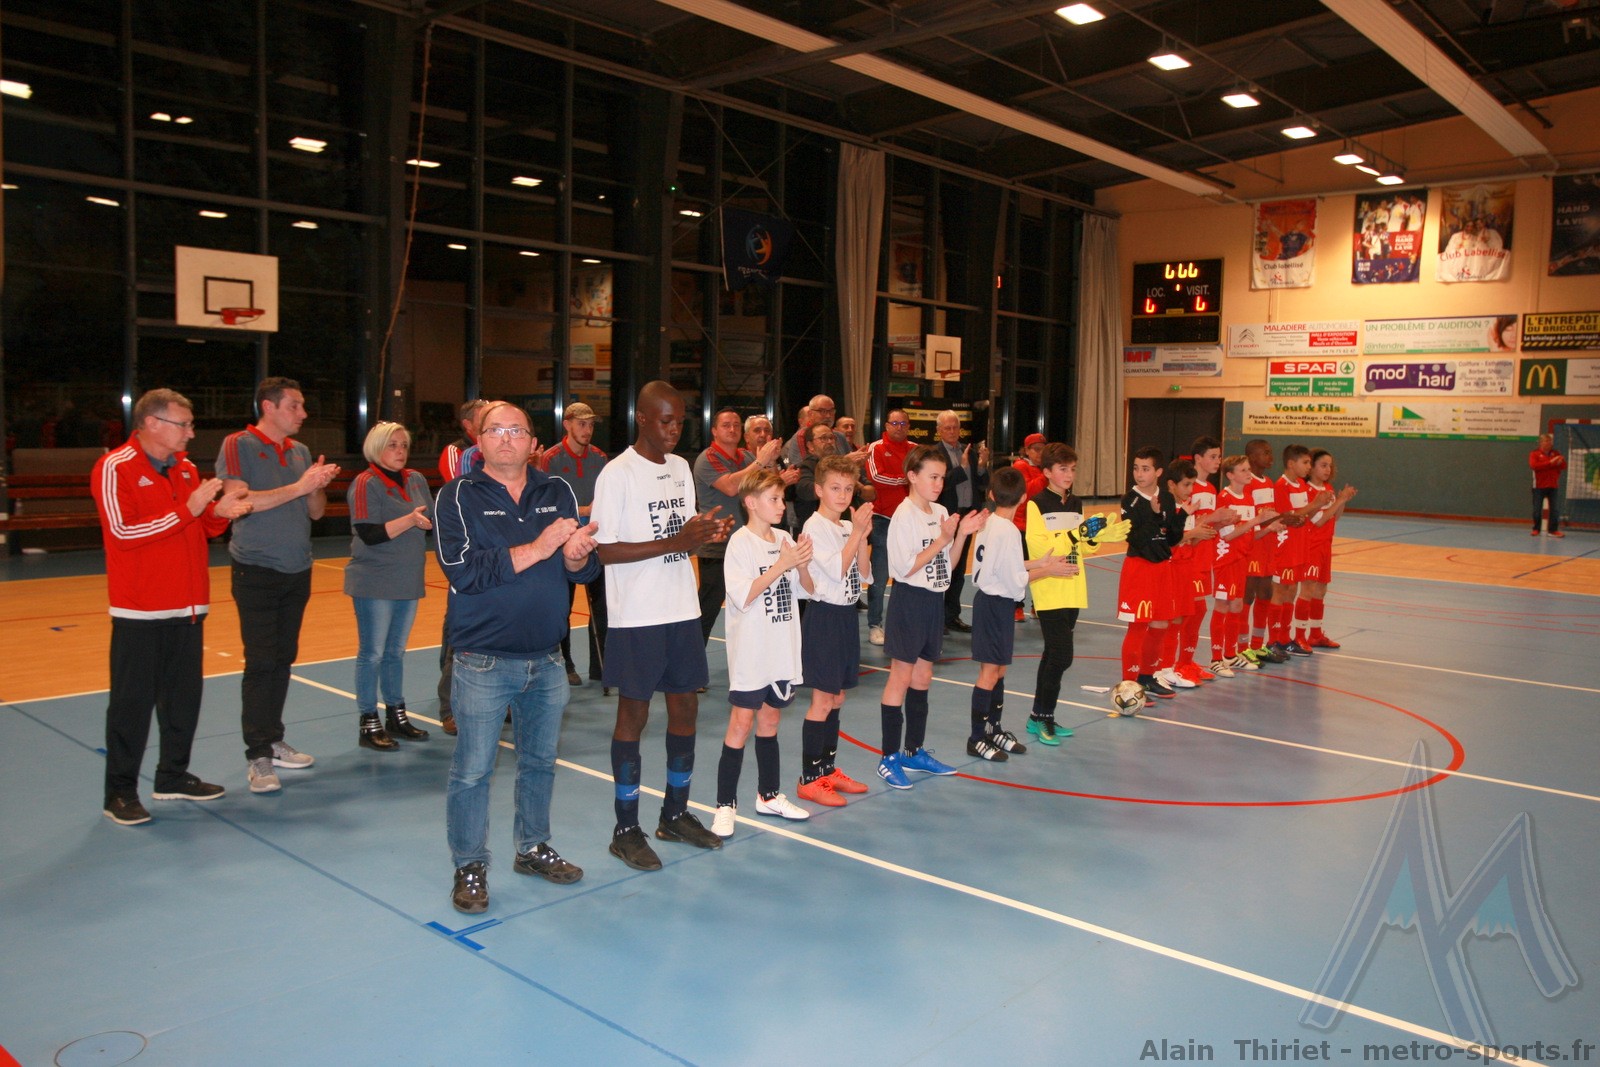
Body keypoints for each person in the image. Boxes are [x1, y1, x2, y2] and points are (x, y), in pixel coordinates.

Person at [434, 400, 599, 914]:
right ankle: (469, 864)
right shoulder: (456, 496)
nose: (506, 438)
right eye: (496, 430)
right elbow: (464, 572)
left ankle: (532, 847)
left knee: (539, 764)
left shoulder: (557, 490)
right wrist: (541, 546)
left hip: (547, 659)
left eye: (516, 430)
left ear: (532, 442)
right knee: (472, 771)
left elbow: (581, 572)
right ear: (479, 440)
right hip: (482, 661)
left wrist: (576, 557)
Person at [591, 381, 735, 871]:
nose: (674, 430)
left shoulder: (679, 469)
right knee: (634, 715)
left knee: (686, 709)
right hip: (638, 615)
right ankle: (625, 829)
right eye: (665, 421)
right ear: (643, 419)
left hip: (680, 609)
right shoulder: (617, 474)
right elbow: (605, 551)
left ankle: (674, 814)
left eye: (680, 421)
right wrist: (678, 541)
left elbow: (680, 534)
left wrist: (704, 532)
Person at [93, 389, 252, 825]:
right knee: (131, 706)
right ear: (152, 423)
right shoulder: (115, 467)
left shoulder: (185, 468)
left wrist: (220, 513)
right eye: (184, 424)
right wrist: (190, 508)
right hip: (140, 611)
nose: (191, 433)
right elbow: (123, 533)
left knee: (183, 702)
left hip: (189, 608)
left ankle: (172, 776)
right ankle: (119, 792)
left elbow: (198, 528)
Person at [217, 377, 340, 794]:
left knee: (283, 658)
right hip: (256, 569)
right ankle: (257, 755)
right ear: (268, 407)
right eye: (294, 405)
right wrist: (300, 486)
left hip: (297, 568)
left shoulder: (300, 451)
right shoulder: (239, 444)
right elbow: (239, 502)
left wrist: (316, 487)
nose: (303, 413)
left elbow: (316, 513)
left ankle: (273, 738)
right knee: (260, 661)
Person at [711, 469, 816, 837]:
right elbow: (744, 595)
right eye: (774, 498)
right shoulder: (740, 544)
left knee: (770, 721)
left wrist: (801, 566)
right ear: (751, 503)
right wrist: (782, 565)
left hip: (781, 649)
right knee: (741, 724)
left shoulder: (785, 538)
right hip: (752, 653)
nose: (781, 505)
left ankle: (768, 795)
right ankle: (725, 804)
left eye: (782, 498)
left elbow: (806, 590)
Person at [876, 445, 987, 789]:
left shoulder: (940, 510)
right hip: (909, 601)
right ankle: (888, 757)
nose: (939, 484)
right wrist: (942, 538)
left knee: (923, 677)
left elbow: (947, 566)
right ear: (912, 476)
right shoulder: (903, 515)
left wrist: (961, 535)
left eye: (942, 478)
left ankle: (914, 751)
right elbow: (904, 568)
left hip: (933, 603)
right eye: (933, 477)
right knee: (901, 677)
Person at [965, 467, 1076, 761]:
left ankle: (993, 729)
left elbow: (1007, 565)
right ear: (1024, 498)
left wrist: (1039, 562)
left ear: (991, 494)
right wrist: (1048, 570)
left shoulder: (990, 524)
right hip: (995, 604)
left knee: (999, 670)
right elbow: (1015, 580)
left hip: (993, 603)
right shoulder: (1009, 530)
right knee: (990, 673)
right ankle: (977, 737)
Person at [1025, 443, 1127, 743]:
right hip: (1049, 586)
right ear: (1047, 472)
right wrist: (1075, 534)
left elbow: (1081, 548)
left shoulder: (1076, 503)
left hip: (1073, 586)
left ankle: (1039, 717)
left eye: (1072, 469)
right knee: (1061, 655)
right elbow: (1041, 548)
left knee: (1052, 654)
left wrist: (1093, 538)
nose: (1069, 474)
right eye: (1062, 469)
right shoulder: (1036, 504)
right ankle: (1044, 717)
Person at [346, 422, 434, 751]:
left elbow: (431, 520)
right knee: (372, 654)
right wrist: (410, 519)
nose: (400, 451)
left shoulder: (416, 479)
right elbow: (369, 533)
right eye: (392, 445)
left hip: (407, 578)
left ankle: (396, 714)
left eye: (404, 445)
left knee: (396, 652)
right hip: (375, 580)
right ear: (376, 448)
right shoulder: (366, 482)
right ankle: (368, 720)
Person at [796, 456, 874, 807]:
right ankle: (809, 778)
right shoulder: (814, 527)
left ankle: (827, 769)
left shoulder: (845, 526)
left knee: (837, 697)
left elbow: (863, 573)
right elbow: (835, 571)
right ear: (818, 490)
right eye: (835, 488)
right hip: (825, 618)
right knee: (822, 699)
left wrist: (861, 537)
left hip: (846, 618)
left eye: (848, 488)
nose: (842, 495)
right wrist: (856, 532)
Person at [1117, 447, 1213, 699]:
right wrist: (1155, 514)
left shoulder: (1168, 499)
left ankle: (1147, 678)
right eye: (1136, 468)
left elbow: (1171, 538)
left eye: (1145, 469)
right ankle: (1129, 685)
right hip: (1139, 568)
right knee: (1138, 627)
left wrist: (1182, 517)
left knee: (1160, 623)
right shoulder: (1130, 500)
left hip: (1163, 569)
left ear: (1158, 472)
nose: (1139, 474)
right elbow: (1136, 539)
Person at [693, 408, 794, 644]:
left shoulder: (746, 457)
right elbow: (731, 487)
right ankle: (690, 661)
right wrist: (760, 461)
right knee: (708, 606)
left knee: (754, 600)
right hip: (717, 544)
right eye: (726, 425)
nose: (732, 429)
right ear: (714, 430)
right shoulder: (708, 458)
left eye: (736, 425)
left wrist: (771, 462)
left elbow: (767, 486)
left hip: (748, 543)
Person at [540, 402, 610, 688]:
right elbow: (545, 503)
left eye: (591, 424)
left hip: (595, 541)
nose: (587, 430)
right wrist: (584, 510)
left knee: (602, 606)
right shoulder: (551, 459)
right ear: (567, 424)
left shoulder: (600, 457)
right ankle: (565, 663)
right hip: (563, 543)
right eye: (582, 424)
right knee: (562, 607)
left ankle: (602, 666)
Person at [435, 399, 489, 736]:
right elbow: (462, 489)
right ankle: (450, 707)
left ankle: (494, 700)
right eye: (486, 419)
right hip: (467, 555)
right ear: (469, 425)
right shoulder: (460, 454)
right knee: (457, 638)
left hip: (497, 556)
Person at [1209, 455, 1278, 677]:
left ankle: (1230, 655)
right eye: (1243, 470)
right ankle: (1216, 659)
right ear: (1230, 475)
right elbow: (1228, 535)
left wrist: (1268, 528)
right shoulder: (1224, 498)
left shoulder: (1248, 497)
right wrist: (1257, 520)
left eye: (1249, 469)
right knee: (1223, 605)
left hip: (1242, 559)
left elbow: (1250, 534)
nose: (1249, 473)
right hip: (1226, 559)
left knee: (1237, 605)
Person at [1266, 445, 1333, 659]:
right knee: (1280, 592)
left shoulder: (1301, 486)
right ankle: (1272, 640)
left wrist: (1315, 507)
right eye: (1305, 462)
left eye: (1309, 463)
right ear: (1290, 463)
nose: (1308, 467)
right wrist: (1314, 505)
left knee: (1291, 591)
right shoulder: (1281, 486)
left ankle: (1285, 639)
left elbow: (1303, 517)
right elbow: (1287, 517)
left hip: (1299, 547)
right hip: (1284, 546)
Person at [933, 410, 990, 634]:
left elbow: (982, 483)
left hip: (967, 517)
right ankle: (937, 617)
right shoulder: (934, 454)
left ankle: (951, 616)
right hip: (946, 517)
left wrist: (982, 465)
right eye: (947, 428)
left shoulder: (969, 450)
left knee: (958, 571)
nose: (952, 431)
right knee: (942, 567)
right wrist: (962, 468)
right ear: (939, 430)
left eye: (955, 427)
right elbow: (939, 485)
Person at [1295, 450, 1358, 650]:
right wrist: (1338, 500)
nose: (1328, 469)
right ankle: (1299, 636)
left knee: (1321, 590)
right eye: (1323, 465)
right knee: (1307, 590)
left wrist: (1342, 500)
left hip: (1325, 546)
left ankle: (1315, 634)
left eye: (1330, 465)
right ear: (1311, 467)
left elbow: (1334, 517)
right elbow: (1319, 520)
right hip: (1311, 546)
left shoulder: (1328, 488)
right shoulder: (1307, 491)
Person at [864, 408, 914, 645]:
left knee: (907, 574)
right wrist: (904, 480)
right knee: (880, 576)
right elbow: (876, 477)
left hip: (909, 522)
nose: (899, 427)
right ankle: (875, 625)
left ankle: (900, 623)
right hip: (883, 520)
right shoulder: (876, 448)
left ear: (909, 426)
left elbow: (922, 477)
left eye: (903, 423)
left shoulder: (915, 450)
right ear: (886, 426)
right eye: (894, 423)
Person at [1240, 439, 1286, 666]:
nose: (1271, 457)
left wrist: (1285, 519)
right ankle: (1241, 647)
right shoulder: (1247, 483)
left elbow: (1270, 513)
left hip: (1268, 546)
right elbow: (1249, 518)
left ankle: (1257, 645)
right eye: (1265, 453)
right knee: (1246, 596)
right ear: (1251, 457)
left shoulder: (1268, 482)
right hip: (1253, 545)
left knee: (1265, 594)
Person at [1009, 432, 1048, 621]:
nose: (1040, 454)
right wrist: (1046, 477)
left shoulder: (1044, 468)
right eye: (1036, 449)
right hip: (1021, 525)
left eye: (1043, 450)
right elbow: (1028, 491)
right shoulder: (1020, 466)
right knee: (1020, 567)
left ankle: (1037, 605)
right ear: (1026, 450)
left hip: (1040, 525)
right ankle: (1017, 606)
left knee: (1040, 566)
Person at [1529, 434, 1566, 538]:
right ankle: (1536, 529)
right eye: (1546, 441)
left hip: (1553, 485)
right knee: (1537, 510)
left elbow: (1563, 466)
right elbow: (1534, 466)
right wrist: (1550, 463)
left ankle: (1553, 530)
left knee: (1554, 510)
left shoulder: (1556, 453)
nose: (1549, 443)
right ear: (1541, 443)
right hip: (1539, 486)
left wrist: (1560, 462)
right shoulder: (1534, 454)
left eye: (1550, 441)